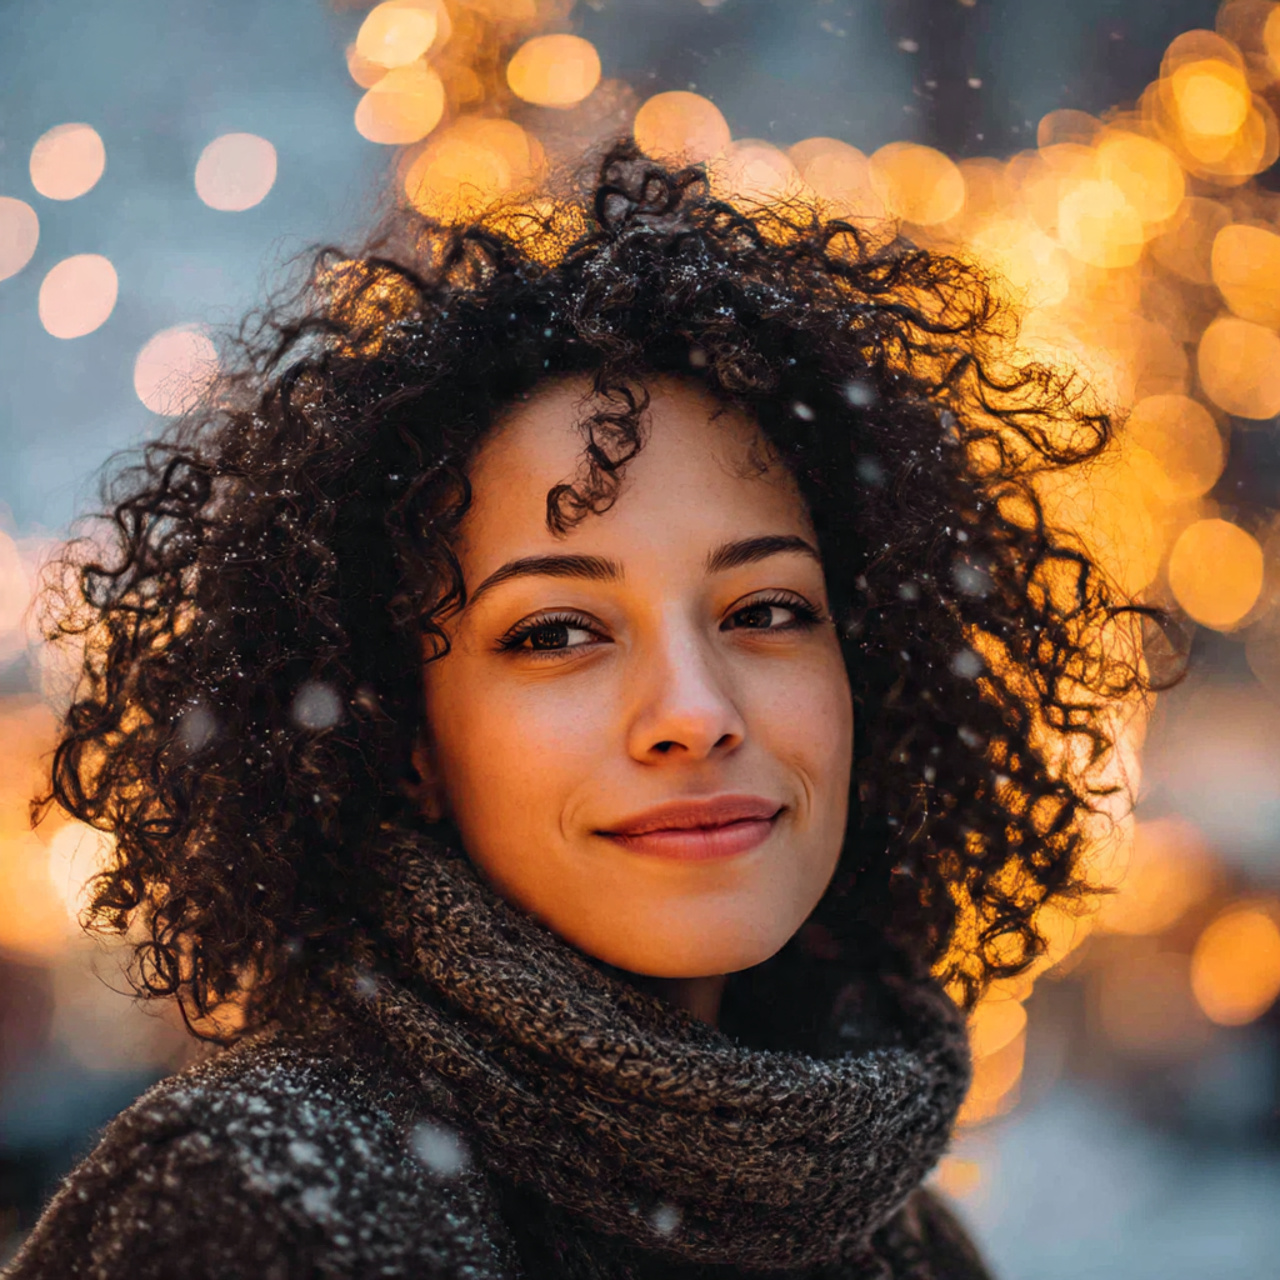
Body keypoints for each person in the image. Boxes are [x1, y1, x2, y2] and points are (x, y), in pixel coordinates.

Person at [4, 144, 1140, 1279]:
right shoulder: (268, 1201)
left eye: (766, 608)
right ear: (405, 740)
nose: (694, 713)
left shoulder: (901, 1239)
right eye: (554, 632)